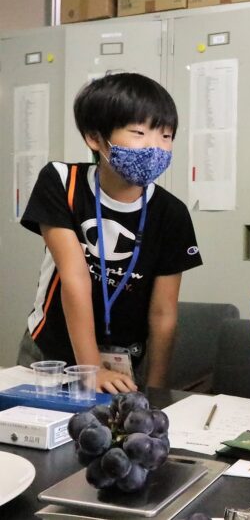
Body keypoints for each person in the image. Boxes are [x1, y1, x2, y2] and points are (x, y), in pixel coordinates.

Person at [19, 73, 202, 393]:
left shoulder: (171, 212)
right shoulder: (62, 182)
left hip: (128, 361)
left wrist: (156, 388)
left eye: (166, 136)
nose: (155, 147)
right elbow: (74, 279)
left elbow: (163, 312)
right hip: (52, 354)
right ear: (95, 137)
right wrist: (91, 369)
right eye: (139, 132)